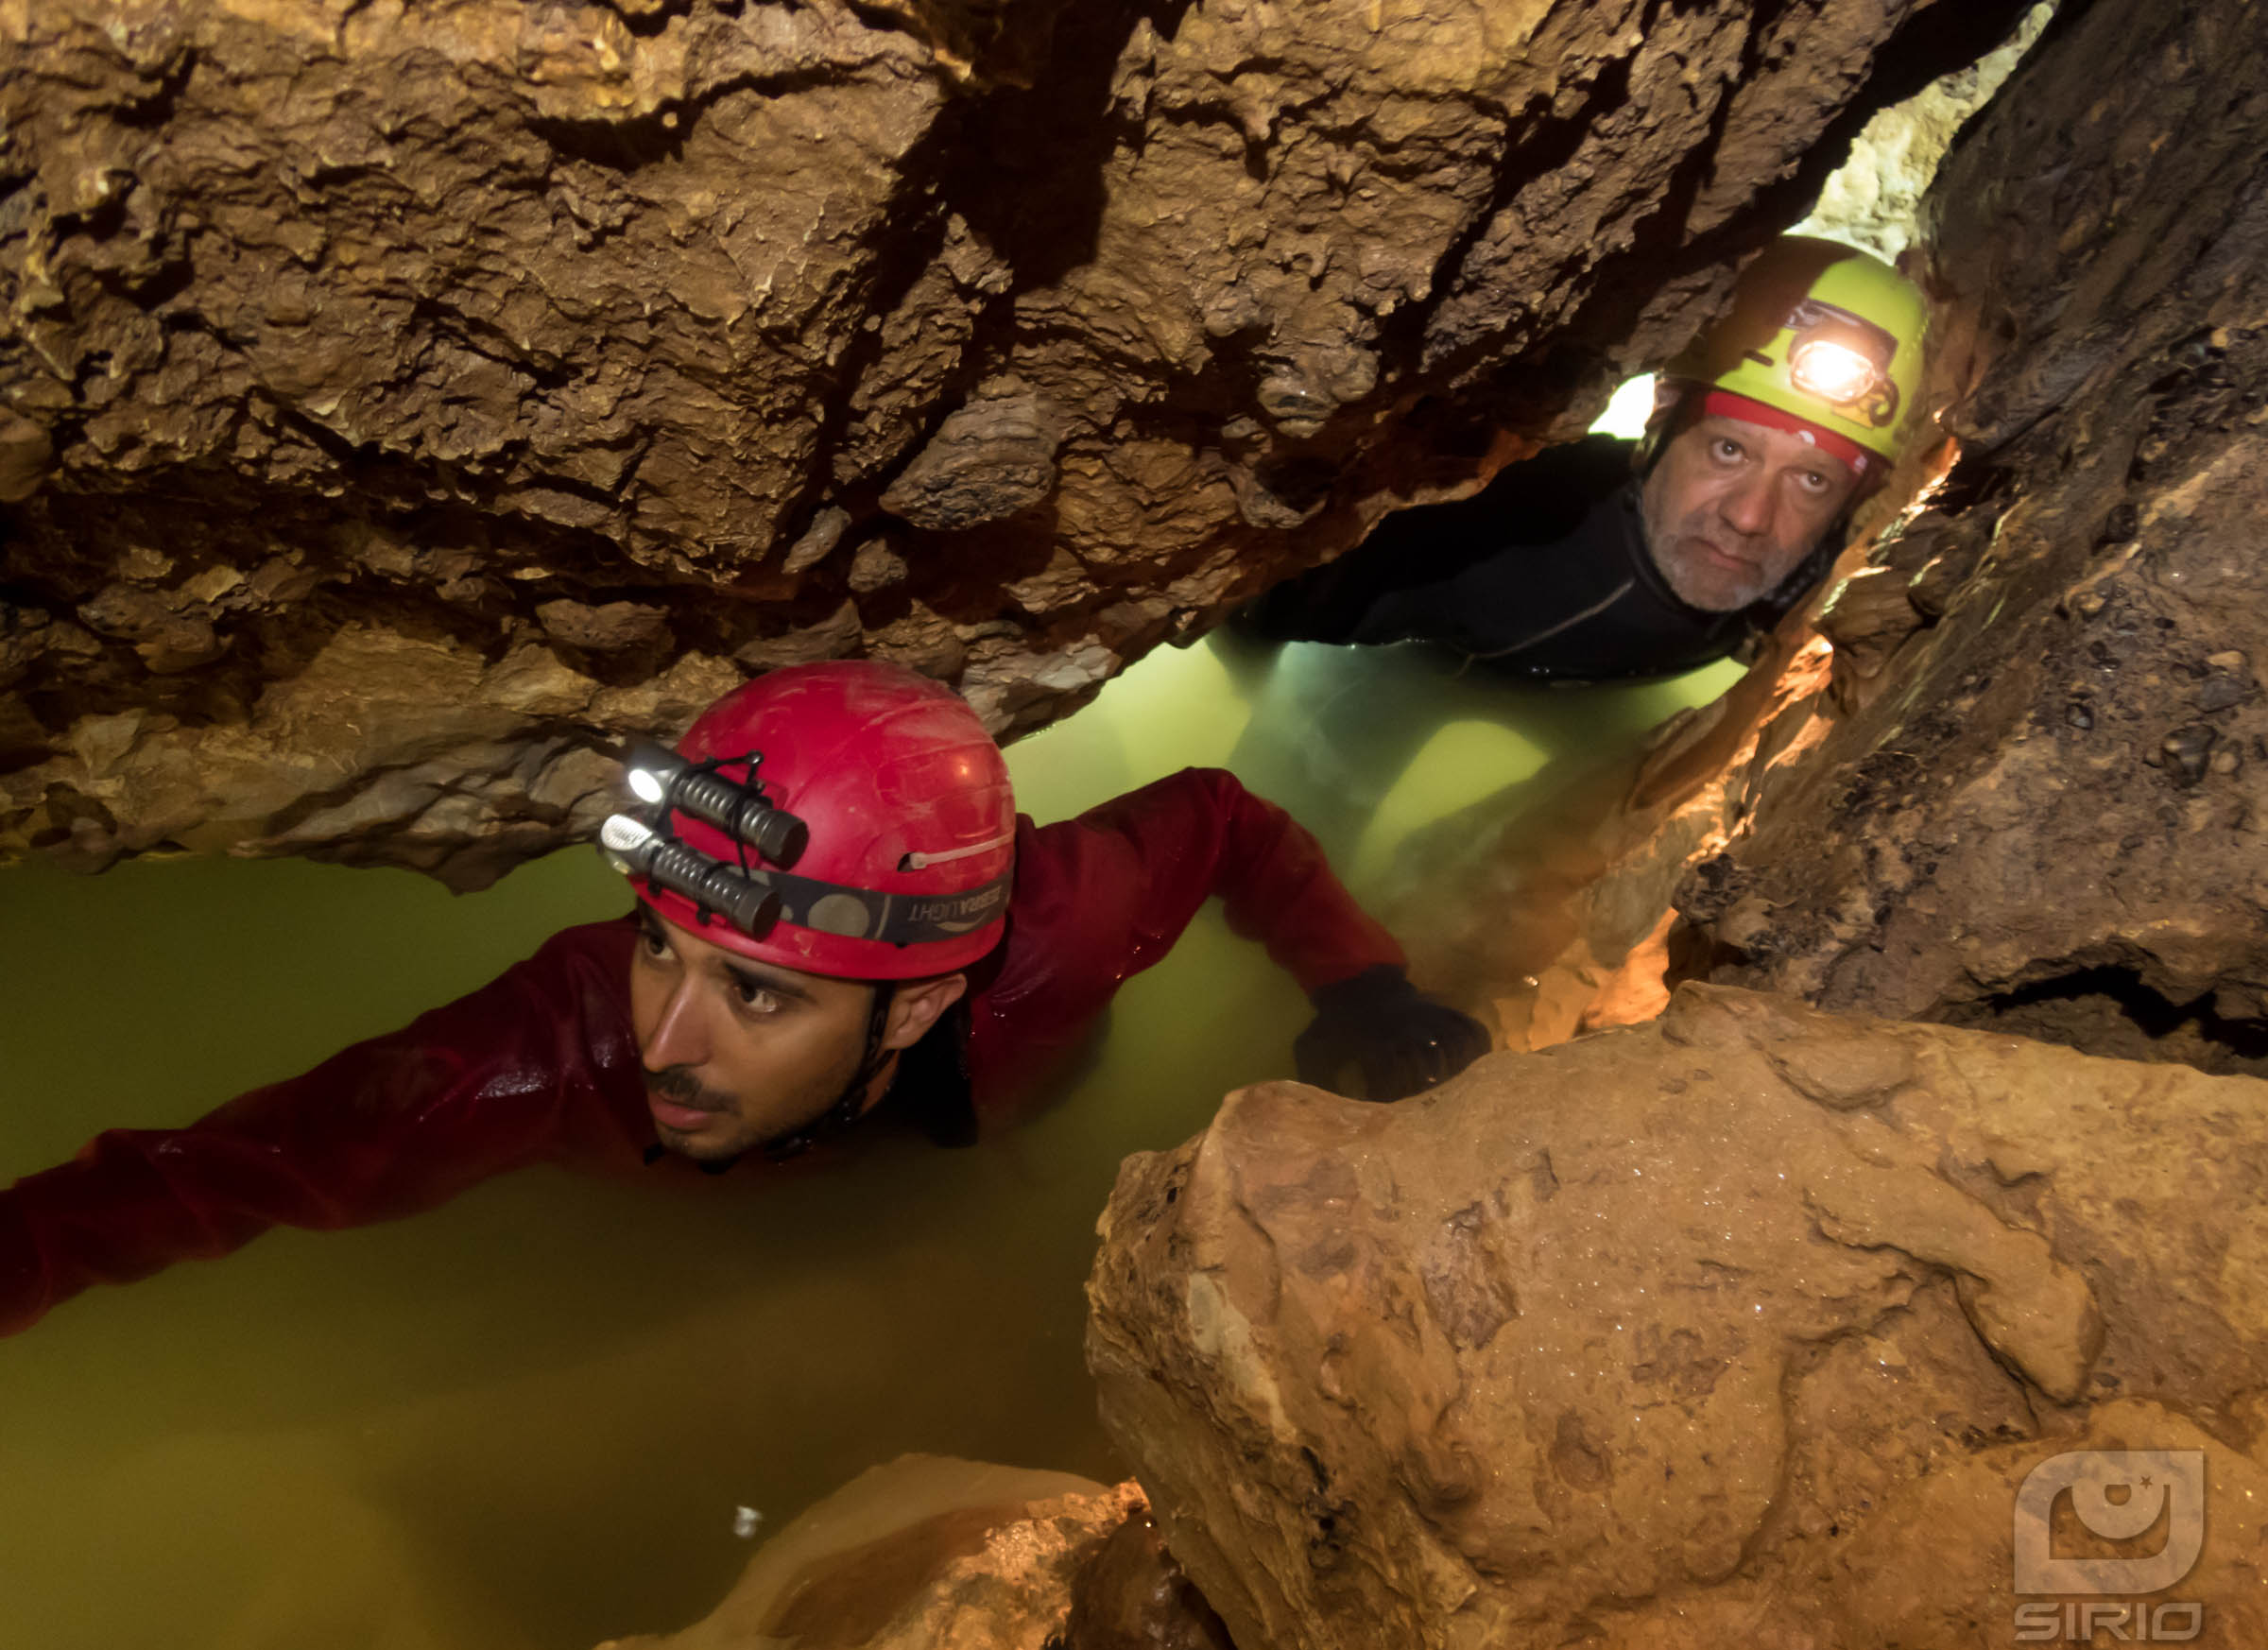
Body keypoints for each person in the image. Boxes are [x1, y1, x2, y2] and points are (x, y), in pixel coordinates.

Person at [0, 660, 1488, 1337]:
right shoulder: (545, 1055)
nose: (661, 1041)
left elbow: (1226, 817)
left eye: (757, 998)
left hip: (1009, 1101)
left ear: (911, 1007)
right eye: (661, 945)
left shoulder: (1063, 932)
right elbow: (225, 1177)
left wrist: (1359, 983)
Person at [1237, 236, 1928, 680]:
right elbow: (1252, 616)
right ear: (1658, 420)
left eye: (1812, 478)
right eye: (1728, 449)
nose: (1751, 518)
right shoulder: (1493, 530)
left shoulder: (1838, 577)